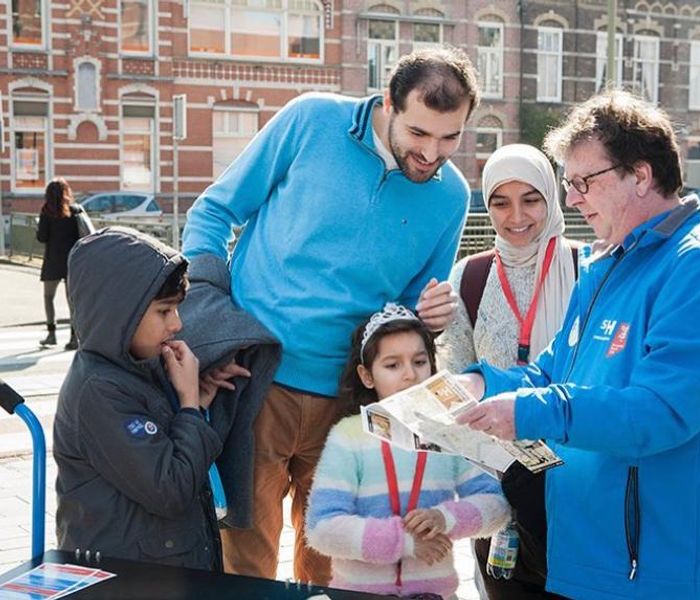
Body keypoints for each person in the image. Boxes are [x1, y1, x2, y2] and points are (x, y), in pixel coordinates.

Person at [182, 46, 479, 583]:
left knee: (333, 567)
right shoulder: (310, 119)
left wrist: (427, 317)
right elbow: (213, 212)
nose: (433, 153)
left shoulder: (453, 196)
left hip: (350, 400)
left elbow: (403, 314)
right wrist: (212, 317)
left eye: (450, 137)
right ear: (389, 103)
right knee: (244, 562)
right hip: (252, 380)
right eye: (419, 134)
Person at [455, 90, 700, 599]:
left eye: (582, 182)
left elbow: (660, 412)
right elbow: (553, 374)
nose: (572, 199)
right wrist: (477, 382)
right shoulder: (605, 266)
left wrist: (530, 412)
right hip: (587, 557)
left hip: (661, 570)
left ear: (640, 175)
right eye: (568, 184)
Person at [53, 227, 249, 570]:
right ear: (119, 313)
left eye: (176, 309)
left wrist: (198, 400)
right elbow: (170, 489)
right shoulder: (99, 391)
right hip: (124, 578)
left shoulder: (138, 366)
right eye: (164, 311)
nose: (177, 324)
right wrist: (188, 403)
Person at [438, 144, 579, 599]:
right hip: (495, 482)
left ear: (551, 199)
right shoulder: (470, 277)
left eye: (531, 199)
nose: (516, 215)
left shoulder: (589, 269)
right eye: (500, 201)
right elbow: (456, 377)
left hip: (575, 480)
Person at [305, 303, 510, 597]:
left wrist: (444, 518)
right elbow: (322, 528)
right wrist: (405, 541)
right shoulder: (347, 436)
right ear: (366, 375)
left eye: (419, 362)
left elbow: (496, 507)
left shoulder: (453, 432)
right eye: (392, 365)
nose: (409, 375)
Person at [36, 177, 83, 350]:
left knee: (49, 297)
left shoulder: (46, 211)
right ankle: (73, 338)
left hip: (53, 262)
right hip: (72, 262)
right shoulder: (74, 211)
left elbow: (42, 237)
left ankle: (51, 334)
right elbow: (81, 235)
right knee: (72, 300)